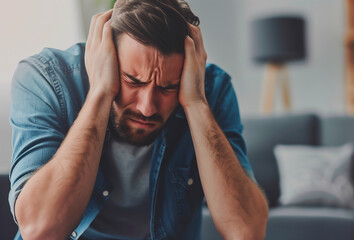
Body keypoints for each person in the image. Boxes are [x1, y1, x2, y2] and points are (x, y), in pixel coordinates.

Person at [8, 0, 269, 239]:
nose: (147, 108)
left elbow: (247, 230)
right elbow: (40, 230)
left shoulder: (211, 90)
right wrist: (100, 93)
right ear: (105, 55)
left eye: (168, 87)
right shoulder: (44, 79)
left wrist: (196, 104)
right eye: (132, 81)